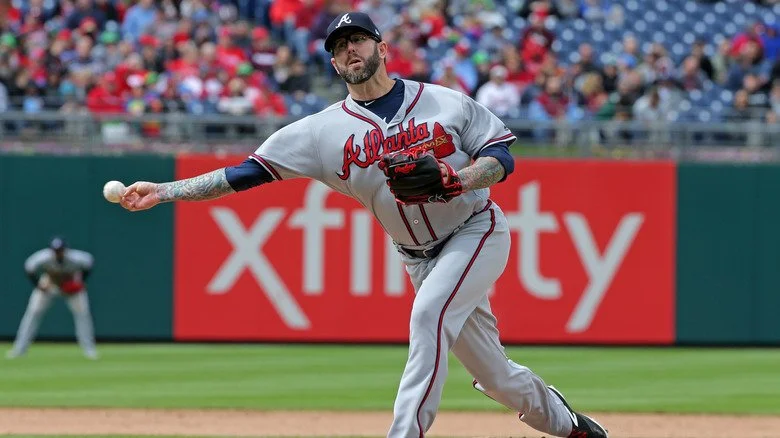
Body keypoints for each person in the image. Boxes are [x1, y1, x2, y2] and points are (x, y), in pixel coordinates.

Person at [116, 12, 608, 438]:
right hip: (417, 257)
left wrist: (458, 180)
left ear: (382, 48)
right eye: (339, 46)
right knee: (497, 377)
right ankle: (572, 426)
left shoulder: (444, 102)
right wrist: (164, 191)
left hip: (475, 230)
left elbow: (502, 158)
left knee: (426, 317)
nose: (349, 49)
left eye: (358, 40)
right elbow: (242, 174)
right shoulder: (318, 132)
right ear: (333, 63)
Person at [6, 237, 98, 360]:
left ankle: (89, 349)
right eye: (56, 250)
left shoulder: (76, 258)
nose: (58, 252)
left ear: (66, 250)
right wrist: (38, 285)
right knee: (32, 313)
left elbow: (89, 263)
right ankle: (19, 349)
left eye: (60, 250)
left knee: (83, 314)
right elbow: (29, 267)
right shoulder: (44, 257)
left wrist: (81, 282)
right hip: (50, 285)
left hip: (71, 288)